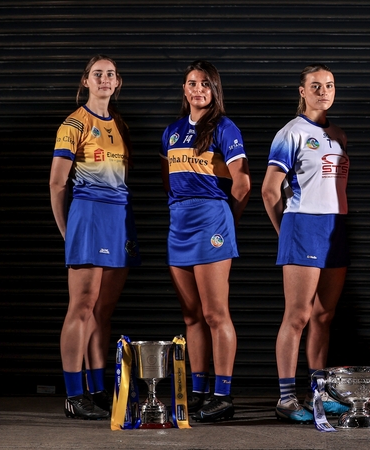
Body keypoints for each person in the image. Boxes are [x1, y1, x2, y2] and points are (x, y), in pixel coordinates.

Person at [50, 55, 141, 419]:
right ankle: (74, 395)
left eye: (111, 74)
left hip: (118, 219)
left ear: (117, 82)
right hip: (87, 216)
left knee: (103, 311)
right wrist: (67, 231)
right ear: (86, 81)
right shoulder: (74, 123)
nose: (105, 79)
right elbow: (58, 183)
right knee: (82, 306)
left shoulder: (120, 124)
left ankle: (97, 389)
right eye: (97, 74)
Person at [160, 60, 250, 422]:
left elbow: (242, 184)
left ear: (215, 91)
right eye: (192, 83)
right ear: (184, 89)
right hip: (178, 222)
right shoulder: (171, 131)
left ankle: (222, 396)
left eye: (205, 84)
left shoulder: (224, 128)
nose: (198, 89)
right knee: (191, 315)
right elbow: (167, 179)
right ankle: (197, 391)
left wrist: (227, 221)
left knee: (215, 313)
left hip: (211, 219)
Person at [261, 63, 350, 424]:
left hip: (335, 227)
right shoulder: (291, 132)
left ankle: (319, 393)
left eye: (329, 84)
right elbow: (269, 189)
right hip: (302, 225)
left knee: (323, 317)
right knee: (297, 316)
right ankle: (285, 398)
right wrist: (286, 232)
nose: (323, 91)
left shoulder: (340, 135)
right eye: (315, 85)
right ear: (302, 91)